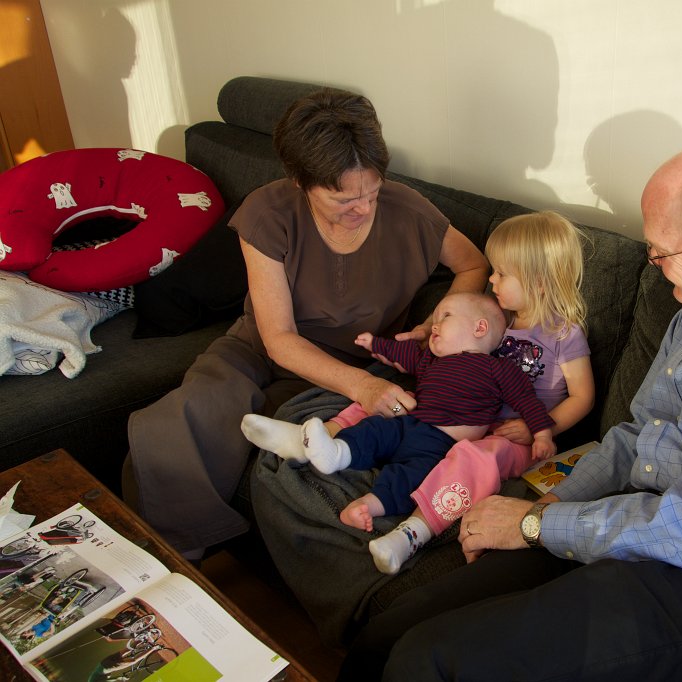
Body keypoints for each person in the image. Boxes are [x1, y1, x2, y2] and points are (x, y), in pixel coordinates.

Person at [337, 138, 682, 681]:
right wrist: (554, 502)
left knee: (430, 663)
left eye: (662, 252)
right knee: (386, 635)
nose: (652, 262)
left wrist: (534, 524)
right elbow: (637, 434)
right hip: (646, 511)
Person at [122, 88, 488, 560]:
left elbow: (473, 265)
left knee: (289, 446)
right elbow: (278, 337)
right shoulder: (268, 213)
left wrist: (434, 323)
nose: (364, 209)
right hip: (260, 347)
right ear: (300, 181)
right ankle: (165, 565)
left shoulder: (410, 211)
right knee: (180, 420)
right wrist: (364, 389)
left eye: (373, 192)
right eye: (343, 199)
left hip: (352, 363)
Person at [245, 211, 594, 574]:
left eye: (502, 274)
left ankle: (414, 530)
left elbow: (583, 398)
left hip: (515, 438)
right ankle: (313, 440)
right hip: (454, 413)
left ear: (539, 282)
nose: (491, 279)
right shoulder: (497, 320)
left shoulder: (563, 335)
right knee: (388, 397)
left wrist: (540, 430)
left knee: (478, 458)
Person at [243, 291, 557, 531]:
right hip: (407, 423)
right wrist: (376, 345)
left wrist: (542, 435)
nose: (434, 325)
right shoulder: (431, 359)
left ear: (479, 327)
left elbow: (527, 401)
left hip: (441, 446)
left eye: (445, 317)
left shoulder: (499, 370)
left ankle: (369, 507)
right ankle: (335, 452)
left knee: (409, 477)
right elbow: (404, 355)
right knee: (374, 428)